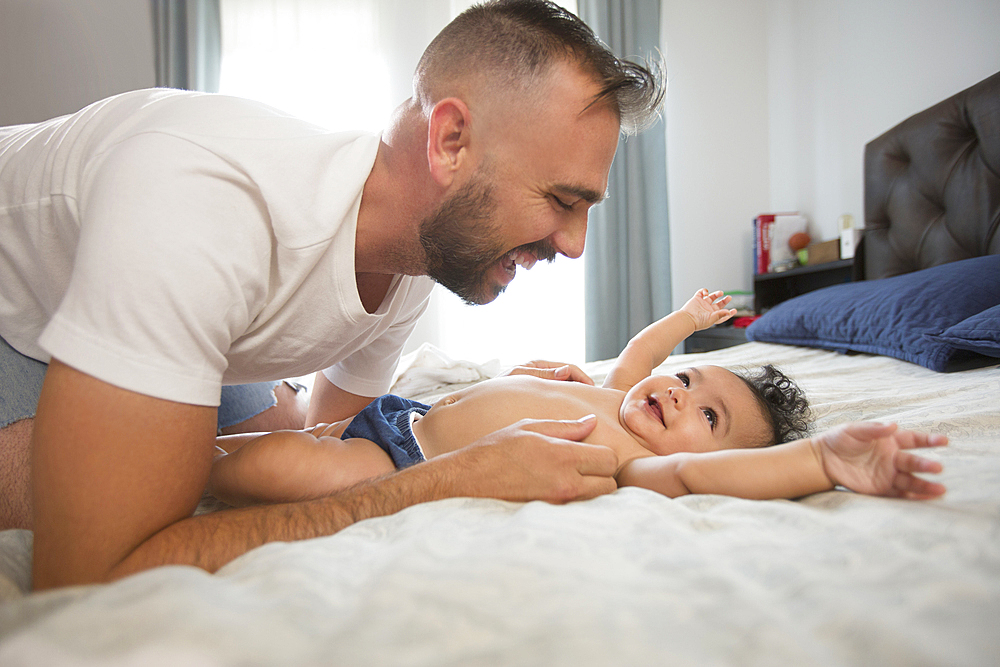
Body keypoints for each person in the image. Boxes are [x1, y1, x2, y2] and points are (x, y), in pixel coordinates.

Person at [0, 0, 666, 589]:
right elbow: (92, 573)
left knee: (270, 462)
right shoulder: (200, 208)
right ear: (450, 141)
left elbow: (337, 439)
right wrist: (445, 479)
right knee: (64, 508)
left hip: (149, 295)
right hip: (16, 294)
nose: (576, 245)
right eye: (561, 199)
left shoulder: (412, 254)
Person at [208, 289, 947, 507]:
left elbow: (700, 475)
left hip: (396, 458)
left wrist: (819, 460)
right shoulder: (623, 393)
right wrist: (687, 321)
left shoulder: (629, 461)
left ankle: (186, 476)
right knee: (285, 442)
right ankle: (186, 452)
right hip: (406, 414)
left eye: (708, 417)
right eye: (690, 382)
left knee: (282, 470)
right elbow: (645, 355)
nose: (679, 395)